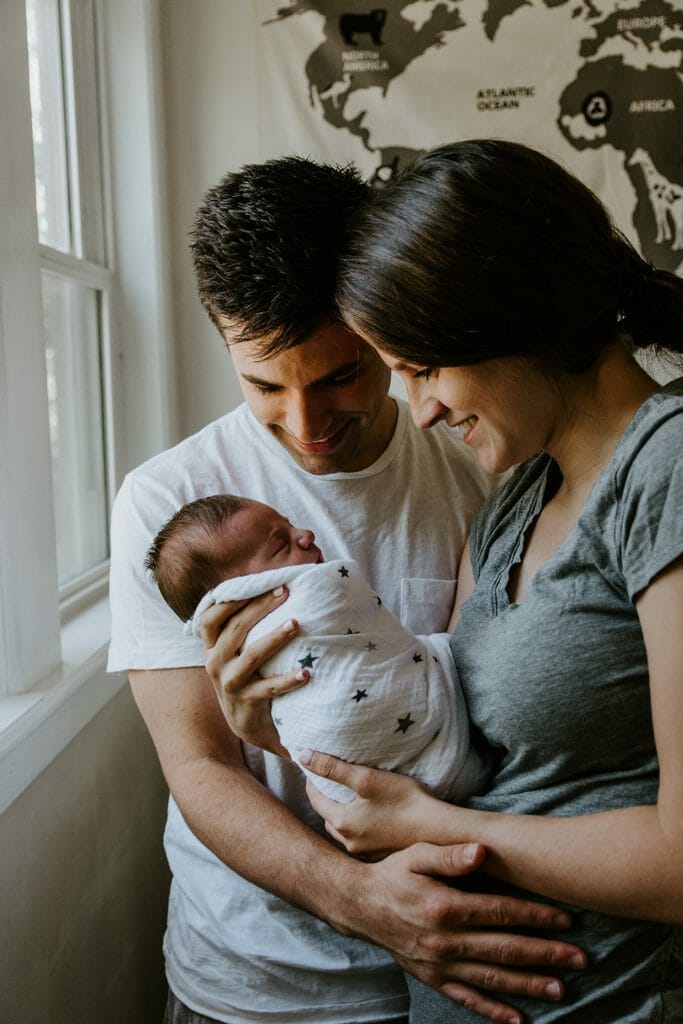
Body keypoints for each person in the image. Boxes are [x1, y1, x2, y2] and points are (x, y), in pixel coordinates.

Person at [108, 155, 588, 1024]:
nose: (304, 423)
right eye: (263, 385)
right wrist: (362, 902)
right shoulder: (168, 506)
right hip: (250, 981)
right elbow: (200, 767)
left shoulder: (480, 465)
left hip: (453, 966)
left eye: (340, 374)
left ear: (382, 325)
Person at [262, 139, 683, 1022]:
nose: (420, 408)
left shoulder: (666, 466)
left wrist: (441, 831)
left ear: (508, 319)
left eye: (423, 368)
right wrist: (277, 722)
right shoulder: (515, 496)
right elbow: (453, 748)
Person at [145, 493, 487, 804]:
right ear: (244, 591)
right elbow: (199, 768)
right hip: (323, 825)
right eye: (280, 545)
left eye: (289, 524)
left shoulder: (468, 481)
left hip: (378, 799)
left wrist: (266, 735)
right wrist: (258, 731)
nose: (305, 534)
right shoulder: (156, 493)